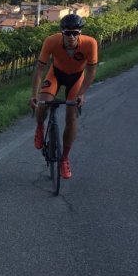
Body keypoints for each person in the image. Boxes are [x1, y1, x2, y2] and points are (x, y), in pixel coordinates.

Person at [28, 13, 98, 179]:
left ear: (80, 33)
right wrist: (34, 95)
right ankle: (40, 126)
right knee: (43, 104)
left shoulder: (90, 43)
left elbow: (91, 72)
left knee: (71, 116)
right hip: (56, 74)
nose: (72, 36)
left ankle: (64, 158)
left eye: (76, 33)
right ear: (62, 32)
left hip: (77, 78)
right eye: (68, 33)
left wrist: (82, 94)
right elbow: (39, 70)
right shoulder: (51, 41)